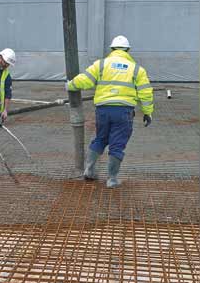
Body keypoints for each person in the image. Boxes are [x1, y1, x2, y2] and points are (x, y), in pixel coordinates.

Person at [66, 35, 154, 188]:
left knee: (100, 138)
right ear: (128, 50)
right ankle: (112, 180)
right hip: (124, 111)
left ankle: (89, 170)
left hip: (103, 110)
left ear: (112, 49)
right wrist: (147, 112)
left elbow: (85, 79)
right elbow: (145, 93)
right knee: (117, 144)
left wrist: (70, 85)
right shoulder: (137, 69)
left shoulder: (101, 64)